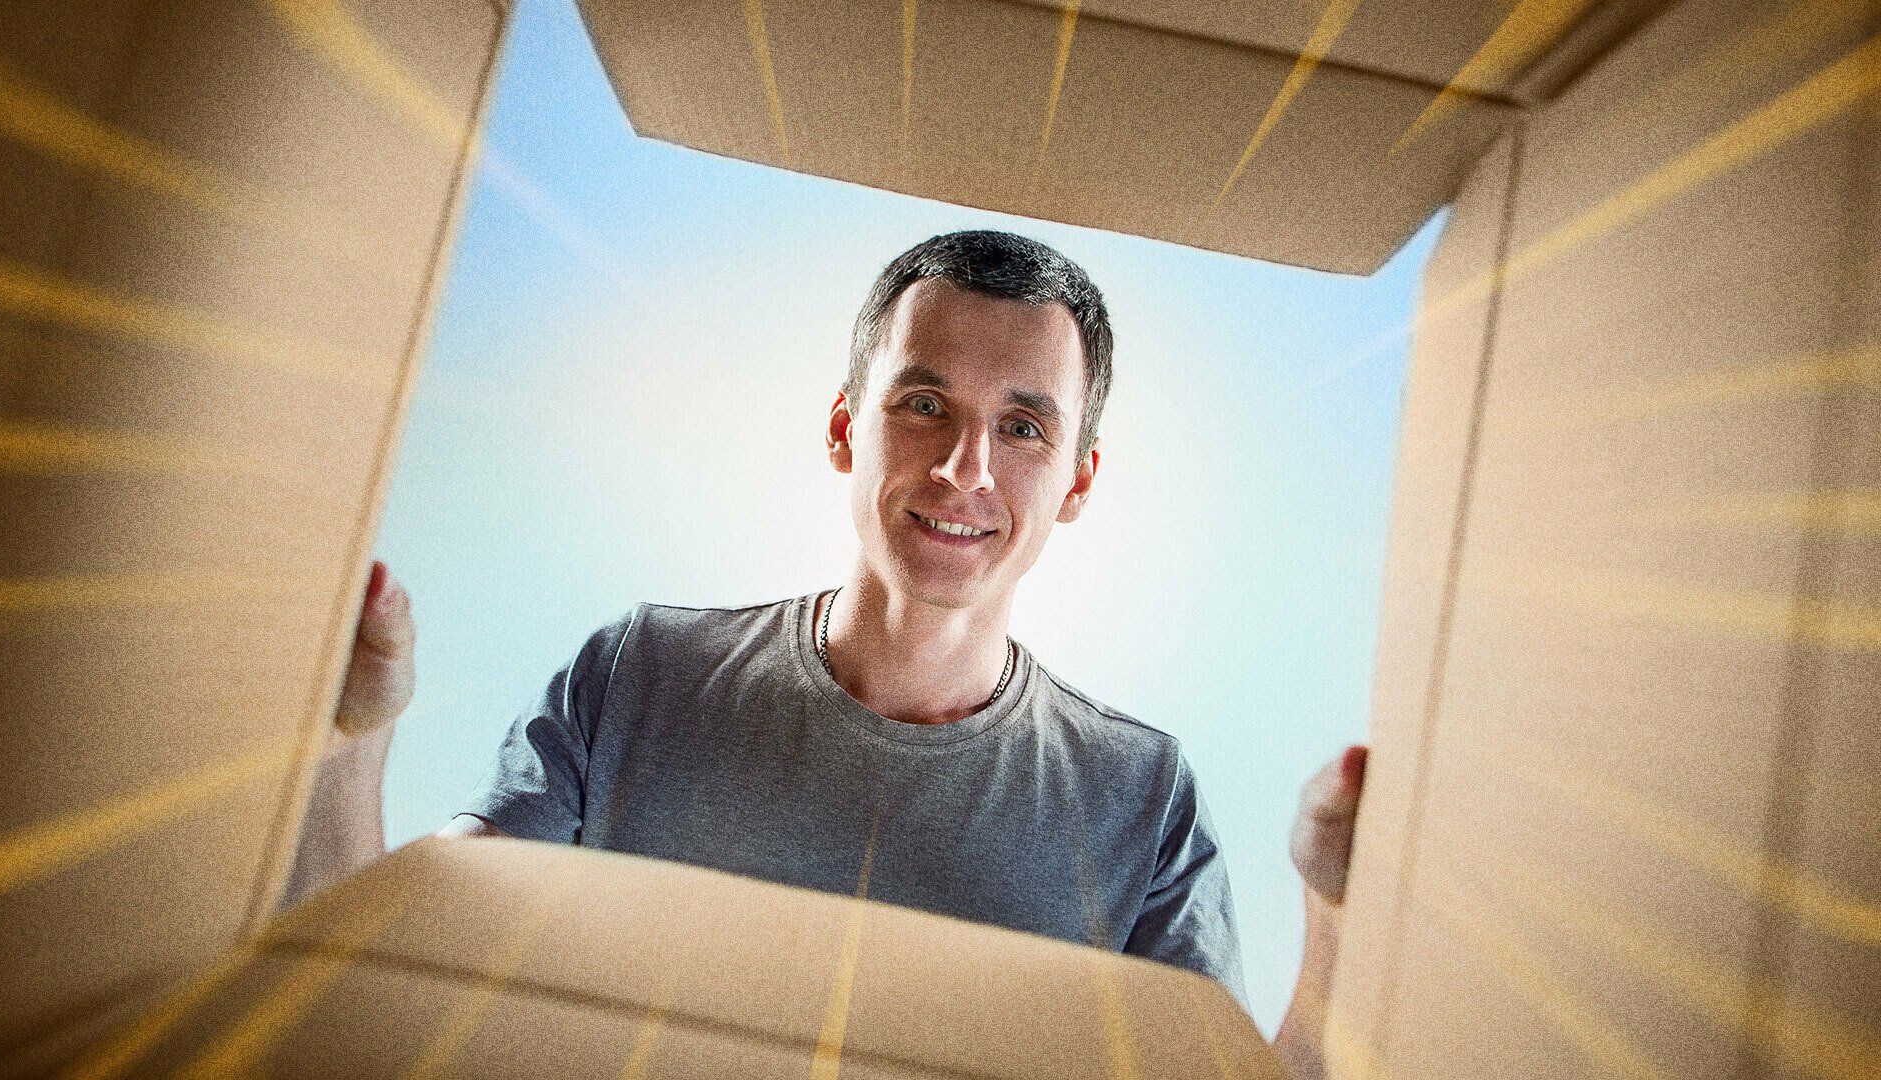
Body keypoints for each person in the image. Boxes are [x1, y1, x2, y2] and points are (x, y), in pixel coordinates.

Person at [287, 230, 1368, 1080]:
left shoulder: (1141, 799)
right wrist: (350, 740)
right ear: (847, 428)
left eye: (1025, 428)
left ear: (1079, 480)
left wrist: (1336, 918)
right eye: (924, 404)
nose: (963, 468)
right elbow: (376, 988)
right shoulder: (640, 679)